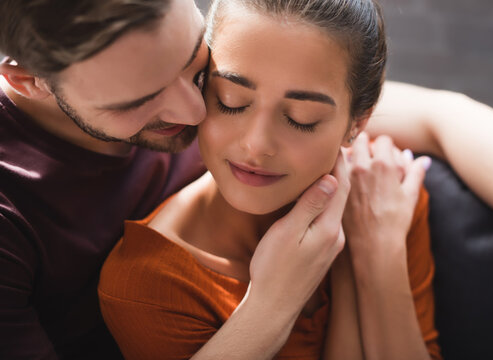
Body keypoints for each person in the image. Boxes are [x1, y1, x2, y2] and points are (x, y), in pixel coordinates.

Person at [0, 0, 493, 358]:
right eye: (229, 100)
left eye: (199, 72)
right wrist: (278, 298)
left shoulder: (349, 165)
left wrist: (369, 250)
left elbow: (441, 115)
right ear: (28, 82)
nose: (193, 112)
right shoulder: (29, 230)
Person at [97, 0, 437, 359]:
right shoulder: (151, 285)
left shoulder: (382, 200)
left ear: (357, 124)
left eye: (301, 118)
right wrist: (349, 269)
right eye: (232, 101)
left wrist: (378, 252)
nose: (255, 146)